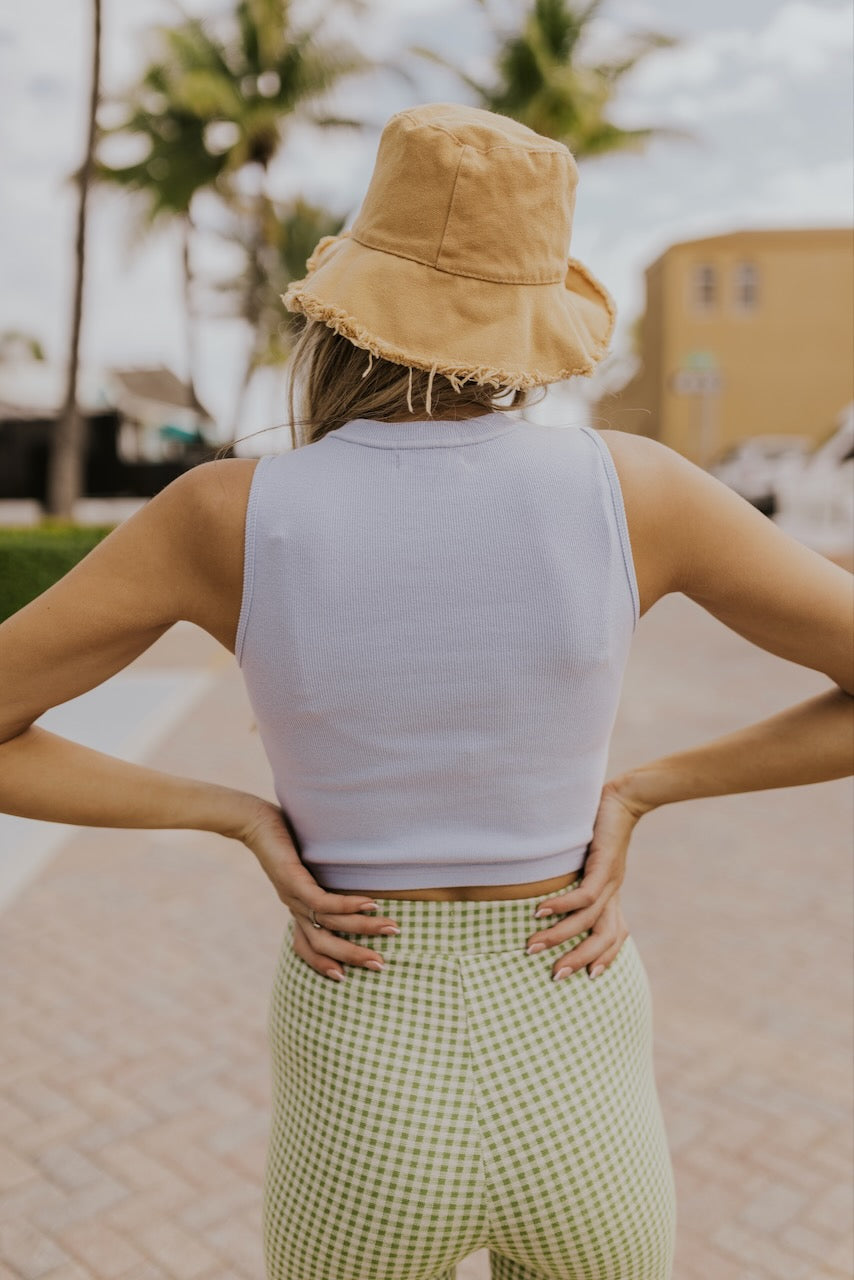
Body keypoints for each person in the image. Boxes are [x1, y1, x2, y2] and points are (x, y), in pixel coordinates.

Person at [0, 103, 850, 1280]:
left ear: (347, 299)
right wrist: (644, 791)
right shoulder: (635, 490)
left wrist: (234, 811)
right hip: (575, 1019)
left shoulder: (222, 514)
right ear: (536, 309)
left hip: (361, 1045)